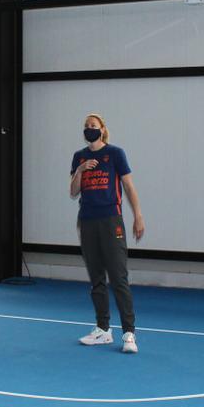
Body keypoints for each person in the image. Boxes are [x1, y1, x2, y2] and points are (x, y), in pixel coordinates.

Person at [69, 113, 144, 354]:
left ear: (102, 129)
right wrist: (79, 170)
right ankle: (102, 329)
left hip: (111, 221)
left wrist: (138, 215)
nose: (89, 129)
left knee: (118, 277)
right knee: (96, 278)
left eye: (94, 126)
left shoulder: (115, 154)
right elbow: (73, 191)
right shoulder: (79, 157)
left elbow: (129, 186)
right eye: (86, 126)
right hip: (87, 221)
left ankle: (129, 333)